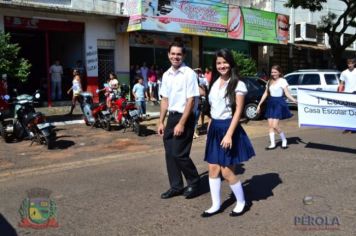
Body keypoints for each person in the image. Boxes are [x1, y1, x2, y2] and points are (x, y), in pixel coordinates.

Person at [201, 49, 255, 218]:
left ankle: (241, 202)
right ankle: (216, 204)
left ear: (230, 63)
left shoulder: (238, 84)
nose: (222, 65)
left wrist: (229, 134)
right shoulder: (215, 82)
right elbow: (213, 109)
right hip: (215, 128)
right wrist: (210, 125)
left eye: (225, 62)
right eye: (218, 63)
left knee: (226, 171)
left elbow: (238, 111)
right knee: (212, 169)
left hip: (228, 129)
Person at [157, 41, 200, 200]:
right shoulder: (166, 74)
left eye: (179, 54)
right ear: (168, 55)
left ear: (184, 56)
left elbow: (191, 101)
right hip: (172, 117)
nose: (175, 57)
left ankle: (194, 181)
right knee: (169, 153)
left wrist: (182, 123)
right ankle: (176, 186)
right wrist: (161, 121)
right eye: (173, 54)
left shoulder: (189, 73)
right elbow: (164, 100)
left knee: (179, 153)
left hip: (185, 117)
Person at [256, 65, 297, 149]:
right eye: (272, 72)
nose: (273, 74)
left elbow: (287, 93)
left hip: (279, 103)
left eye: (275, 72)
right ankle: (272, 144)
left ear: (279, 72)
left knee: (275, 125)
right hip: (271, 103)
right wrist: (259, 105)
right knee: (270, 125)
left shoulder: (283, 81)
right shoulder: (269, 81)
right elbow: (265, 93)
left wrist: (294, 100)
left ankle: (284, 139)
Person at [339, 58, 356, 134]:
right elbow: (341, 84)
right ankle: (348, 127)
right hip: (347, 94)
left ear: (354, 64)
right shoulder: (344, 73)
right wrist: (339, 93)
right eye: (349, 63)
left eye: (351, 63)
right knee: (348, 111)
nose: (350, 65)